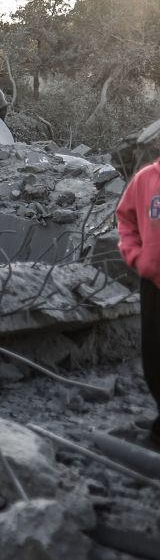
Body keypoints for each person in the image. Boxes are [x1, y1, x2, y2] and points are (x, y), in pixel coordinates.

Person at [118, 150, 160, 444]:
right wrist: (136, 256)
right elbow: (126, 219)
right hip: (153, 284)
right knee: (154, 357)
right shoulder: (146, 179)